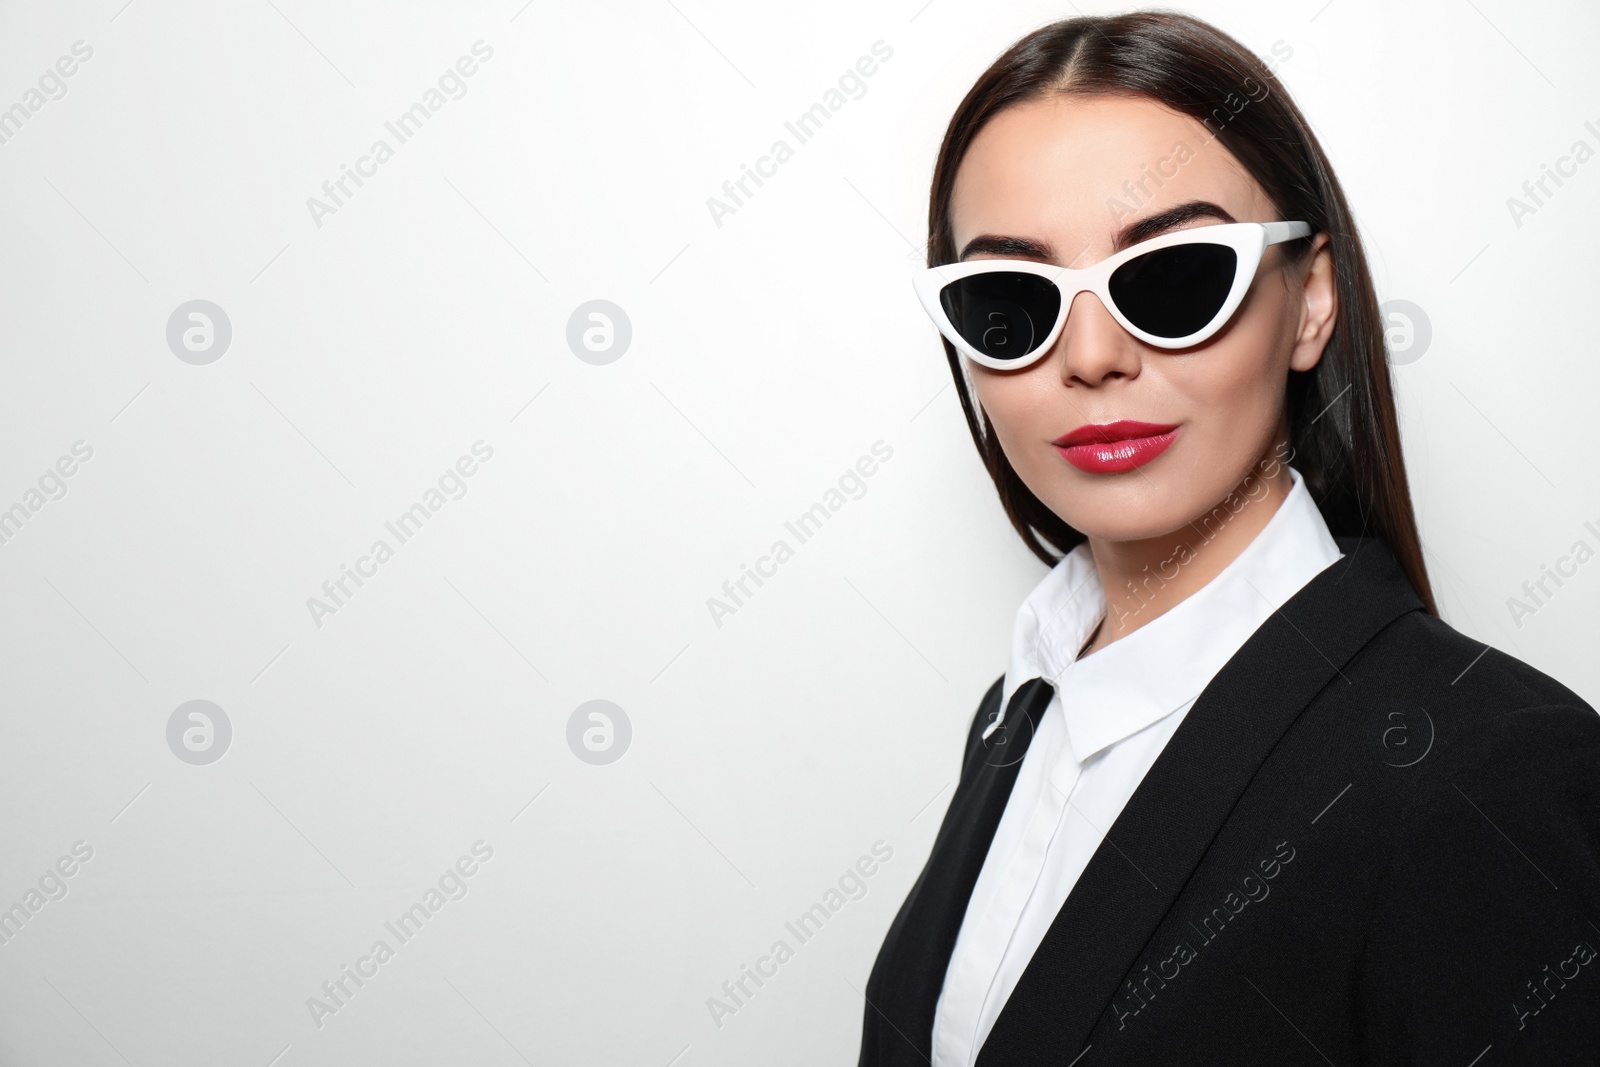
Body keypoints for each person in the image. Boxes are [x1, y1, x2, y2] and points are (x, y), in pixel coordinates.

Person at [856, 11, 1600, 1066]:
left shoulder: (1491, 769)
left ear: (1311, 301)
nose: (1093, 355)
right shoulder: (1019, 713)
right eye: (1012, 301)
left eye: (1170, 277)